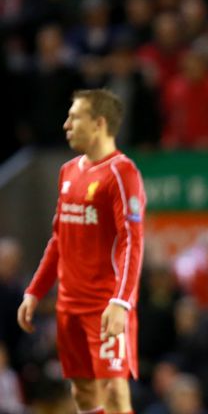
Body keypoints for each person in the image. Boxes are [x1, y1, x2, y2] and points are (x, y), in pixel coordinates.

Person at [17, 89, 146, 414]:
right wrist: (35, 291)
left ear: (99, 123)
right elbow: (59, 239)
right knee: (83, 393)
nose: (66, 125)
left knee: (115, 393)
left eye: (74, 117)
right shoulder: (68, 171)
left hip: (104, 305)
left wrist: (121, 302)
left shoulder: (122, 173)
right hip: (68, 306)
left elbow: (132, 241)